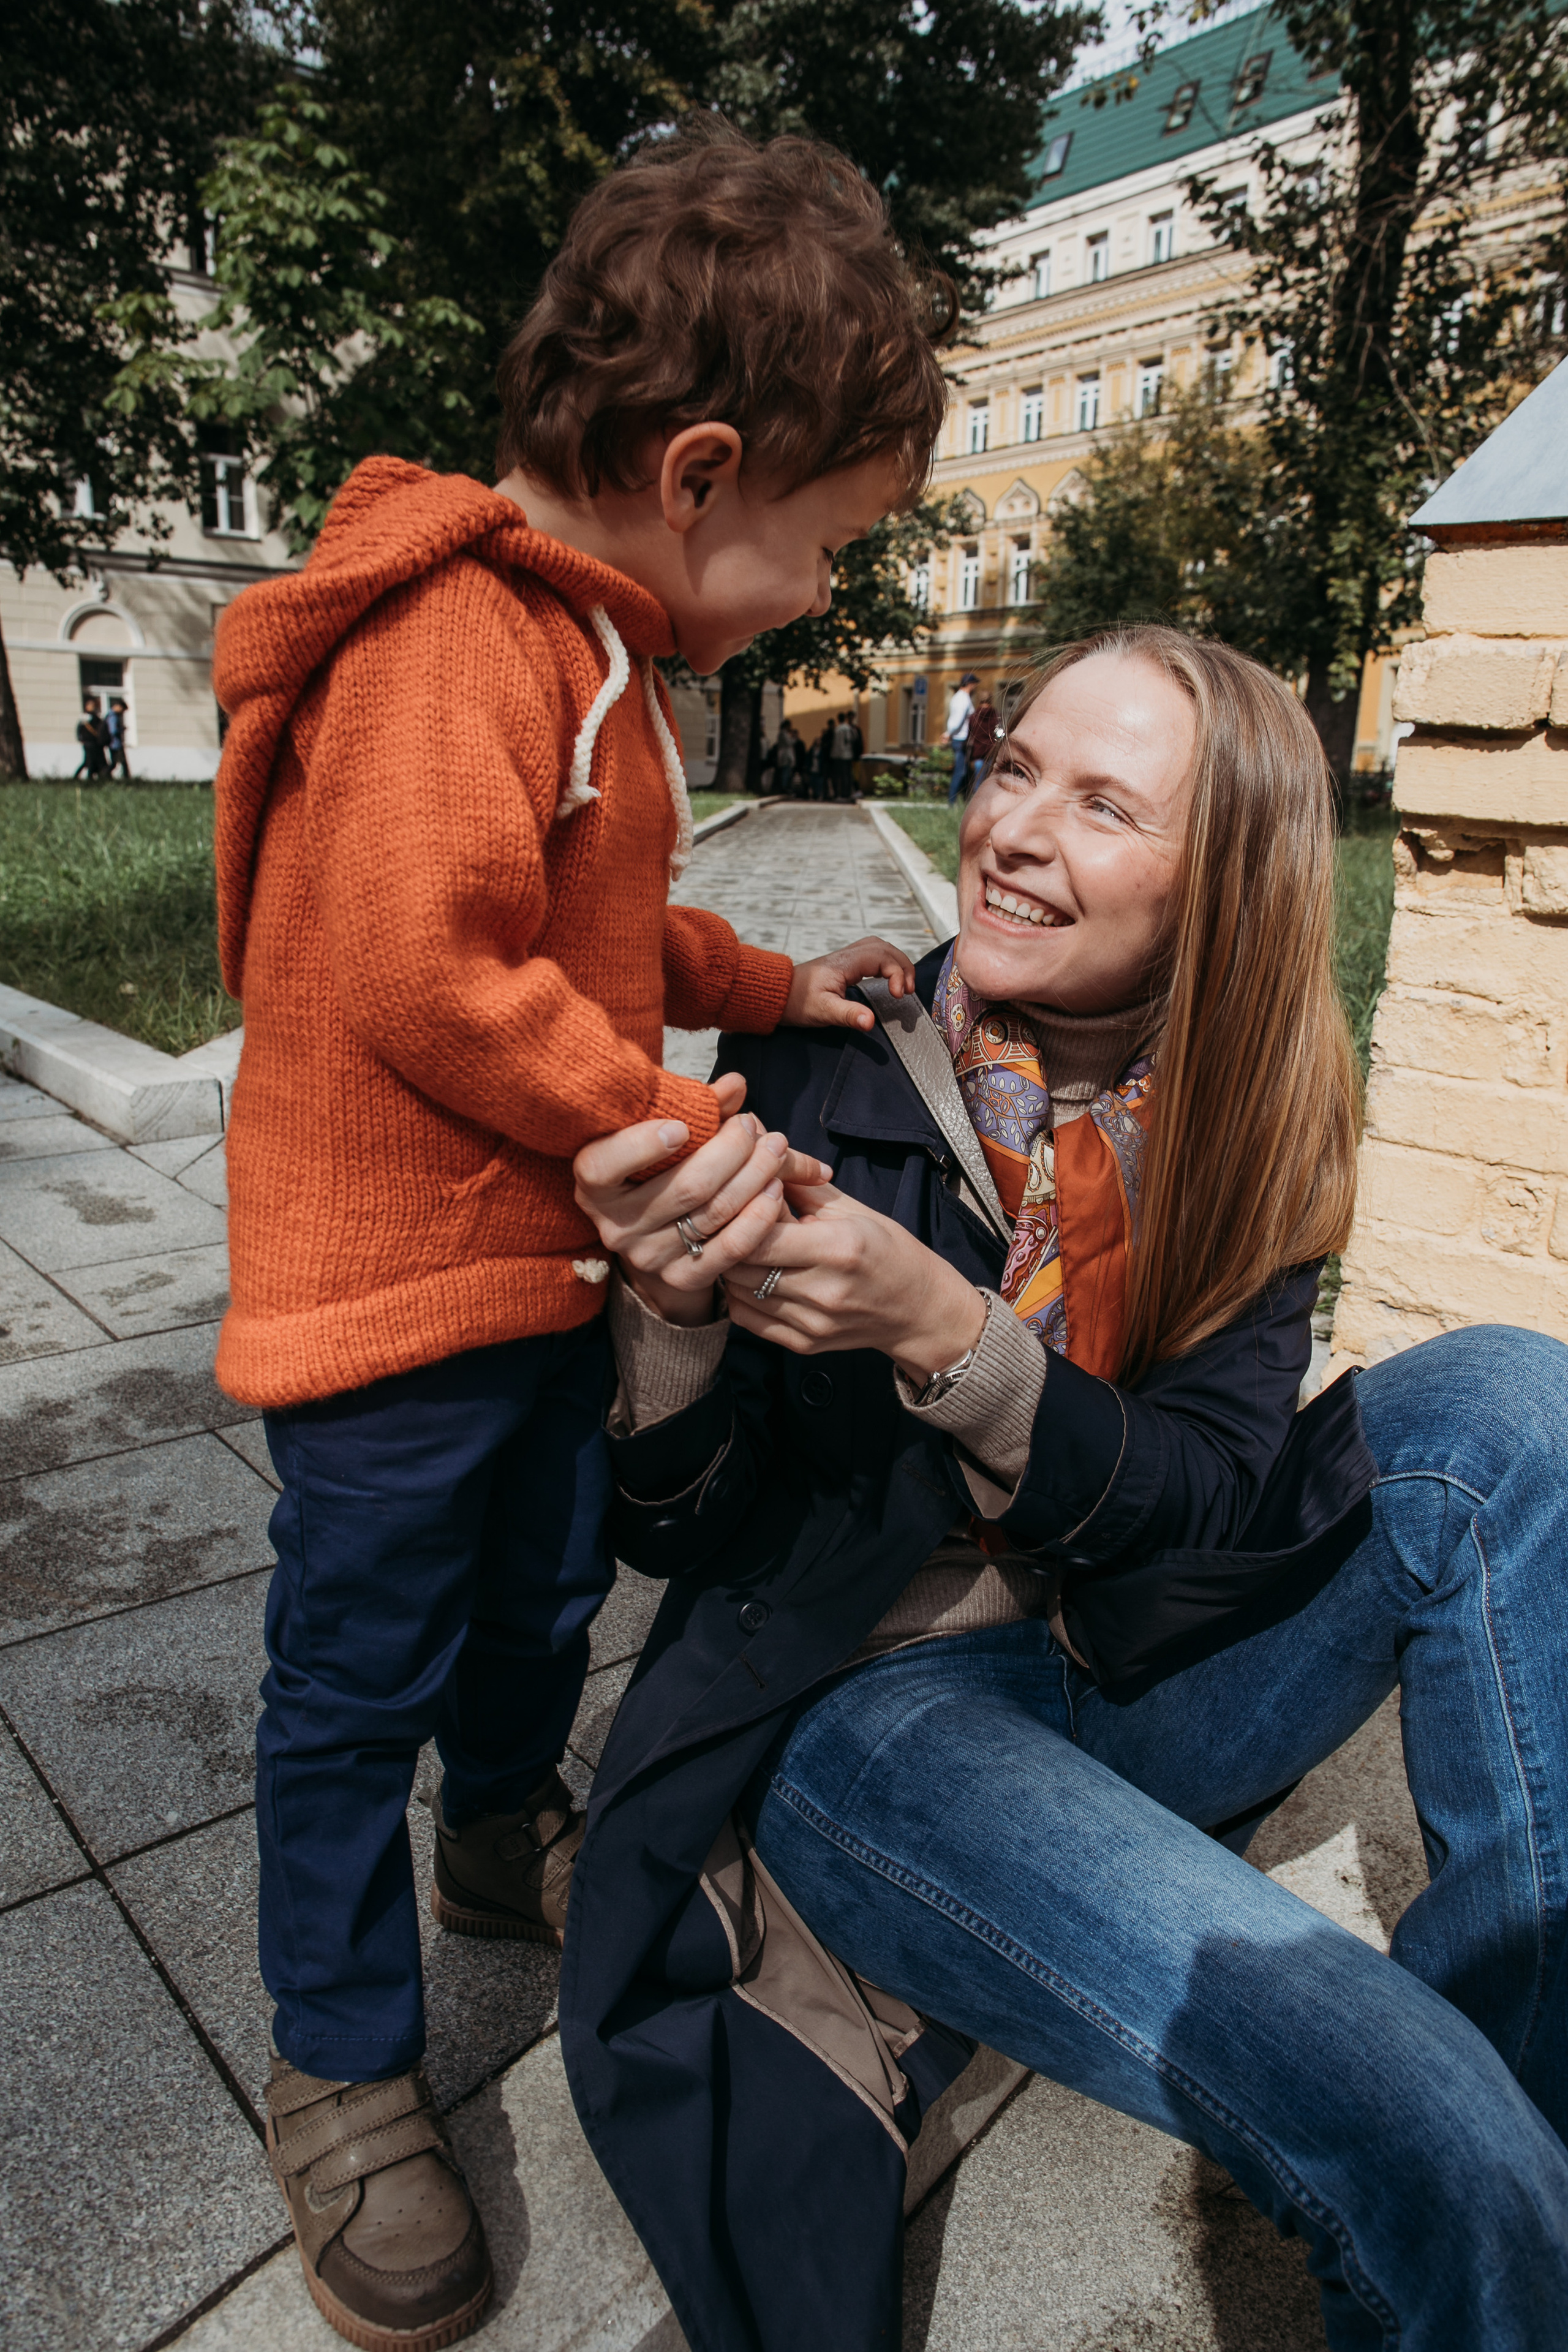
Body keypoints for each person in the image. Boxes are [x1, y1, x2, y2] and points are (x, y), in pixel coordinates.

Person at [564, 624, 1568, 2352]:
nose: (1013, 829)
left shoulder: (1246, 1120)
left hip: (1137, 1649)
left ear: (1220, 886)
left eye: (1104, 804)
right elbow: (688, 1536)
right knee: (1426, 2131)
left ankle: (1533, 2088)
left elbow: (1206, 1498)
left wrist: (953, 1335)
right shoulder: (822, 1057)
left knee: (1511, 1399)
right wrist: (666, 1321)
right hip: (878, 1707)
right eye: (1016, 766)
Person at [209, 120, 945, 2352]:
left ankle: (493, 1831)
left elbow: (598, 928)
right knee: (357, 1676)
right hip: (384, 1297)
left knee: (541, 1585)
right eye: (829, 544)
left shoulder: (597, 655)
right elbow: (429, 968)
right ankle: (343, 2055)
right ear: (701, 474)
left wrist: (769, 984)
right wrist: (678, 1114)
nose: (821, 591)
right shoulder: (460, 640)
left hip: (525, 1271)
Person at [945, 668, 978, 803]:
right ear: (970, 684)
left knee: (964, 772)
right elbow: (958, 720)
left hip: (959, 738)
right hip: (961, 739)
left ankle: (964, 799)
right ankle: (952, 801)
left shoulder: (957, 697)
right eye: (974, 685)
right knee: (960, 771)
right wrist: (949, 733)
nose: (975, 688)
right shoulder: (963, 700)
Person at [965, 687, 1000, 777]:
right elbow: (1000, 734)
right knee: (991, 780)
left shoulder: (974, 717)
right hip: (992, 752)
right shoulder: (996, 716)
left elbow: (970, 735)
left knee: (978, 781)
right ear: (991, 700)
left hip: (978, 753)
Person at [73, 696, 107, 780]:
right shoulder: (85, 717)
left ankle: (93, 777)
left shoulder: (96, 717)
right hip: (88, 742)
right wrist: (81, 739)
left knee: (95, 762)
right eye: (90, 705)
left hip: (96, 743)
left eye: (93, 705)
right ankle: (85, 778)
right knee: (89, 761)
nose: (92, 707)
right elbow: (80, 729)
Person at [828, 709, 856, 800]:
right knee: (846, 775)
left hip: (837, 755)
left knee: (837, 776)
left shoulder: (837, 729)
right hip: (846, 755)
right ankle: (846, 793)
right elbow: (850, 739)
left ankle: (838, 793)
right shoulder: (848, 728)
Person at [104, 696, 133, 780]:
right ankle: (125, 778)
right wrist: (121, 729)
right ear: (118, 707)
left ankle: (105, 776)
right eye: (122, 710)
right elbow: (113, 731)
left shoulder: (109, 715)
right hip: (115, 744)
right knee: (122, 763)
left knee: (115, 763)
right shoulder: (113, 717)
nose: (122, 712)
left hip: (113, 744)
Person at [771, 718, 801, 796]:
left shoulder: (785, 734)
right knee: (785, 773)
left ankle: (785, 787)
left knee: (787, 773)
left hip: (786, 757)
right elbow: (789, 743)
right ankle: (783, 788)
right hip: (785, 757)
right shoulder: (783, 734)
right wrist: (794, 738)